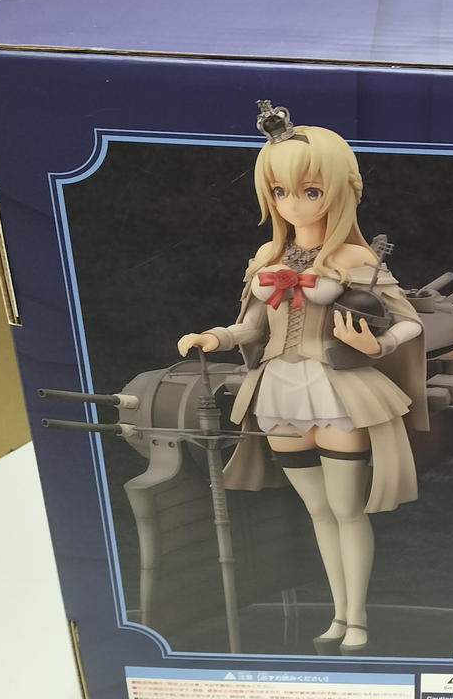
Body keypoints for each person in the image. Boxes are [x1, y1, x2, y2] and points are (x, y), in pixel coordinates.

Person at [177, 102, 427, 653]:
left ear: (339, 191)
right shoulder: (267, 255)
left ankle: (357, 619)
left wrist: (378, 345)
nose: (293, 203)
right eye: (279, 191)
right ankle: (338, 616)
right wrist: (214, 337)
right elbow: (250, 326)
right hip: (279, 394)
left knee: (346, 509)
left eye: (310, 191)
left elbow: (408, 320)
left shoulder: (354, 257)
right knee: (317, 511)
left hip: (337, 390)